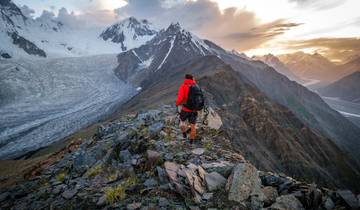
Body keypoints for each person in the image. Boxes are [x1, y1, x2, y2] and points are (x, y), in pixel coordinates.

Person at [176, 74, 204, 144]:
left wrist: (177, 104)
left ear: (185, 79)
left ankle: (184, 134)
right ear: (192, 79)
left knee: (182, 122)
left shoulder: (183, 86)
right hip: (194, 110)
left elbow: (180, 98)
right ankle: (191, 142)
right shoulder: (197, 87)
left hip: (185, 109)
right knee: (193, 126)